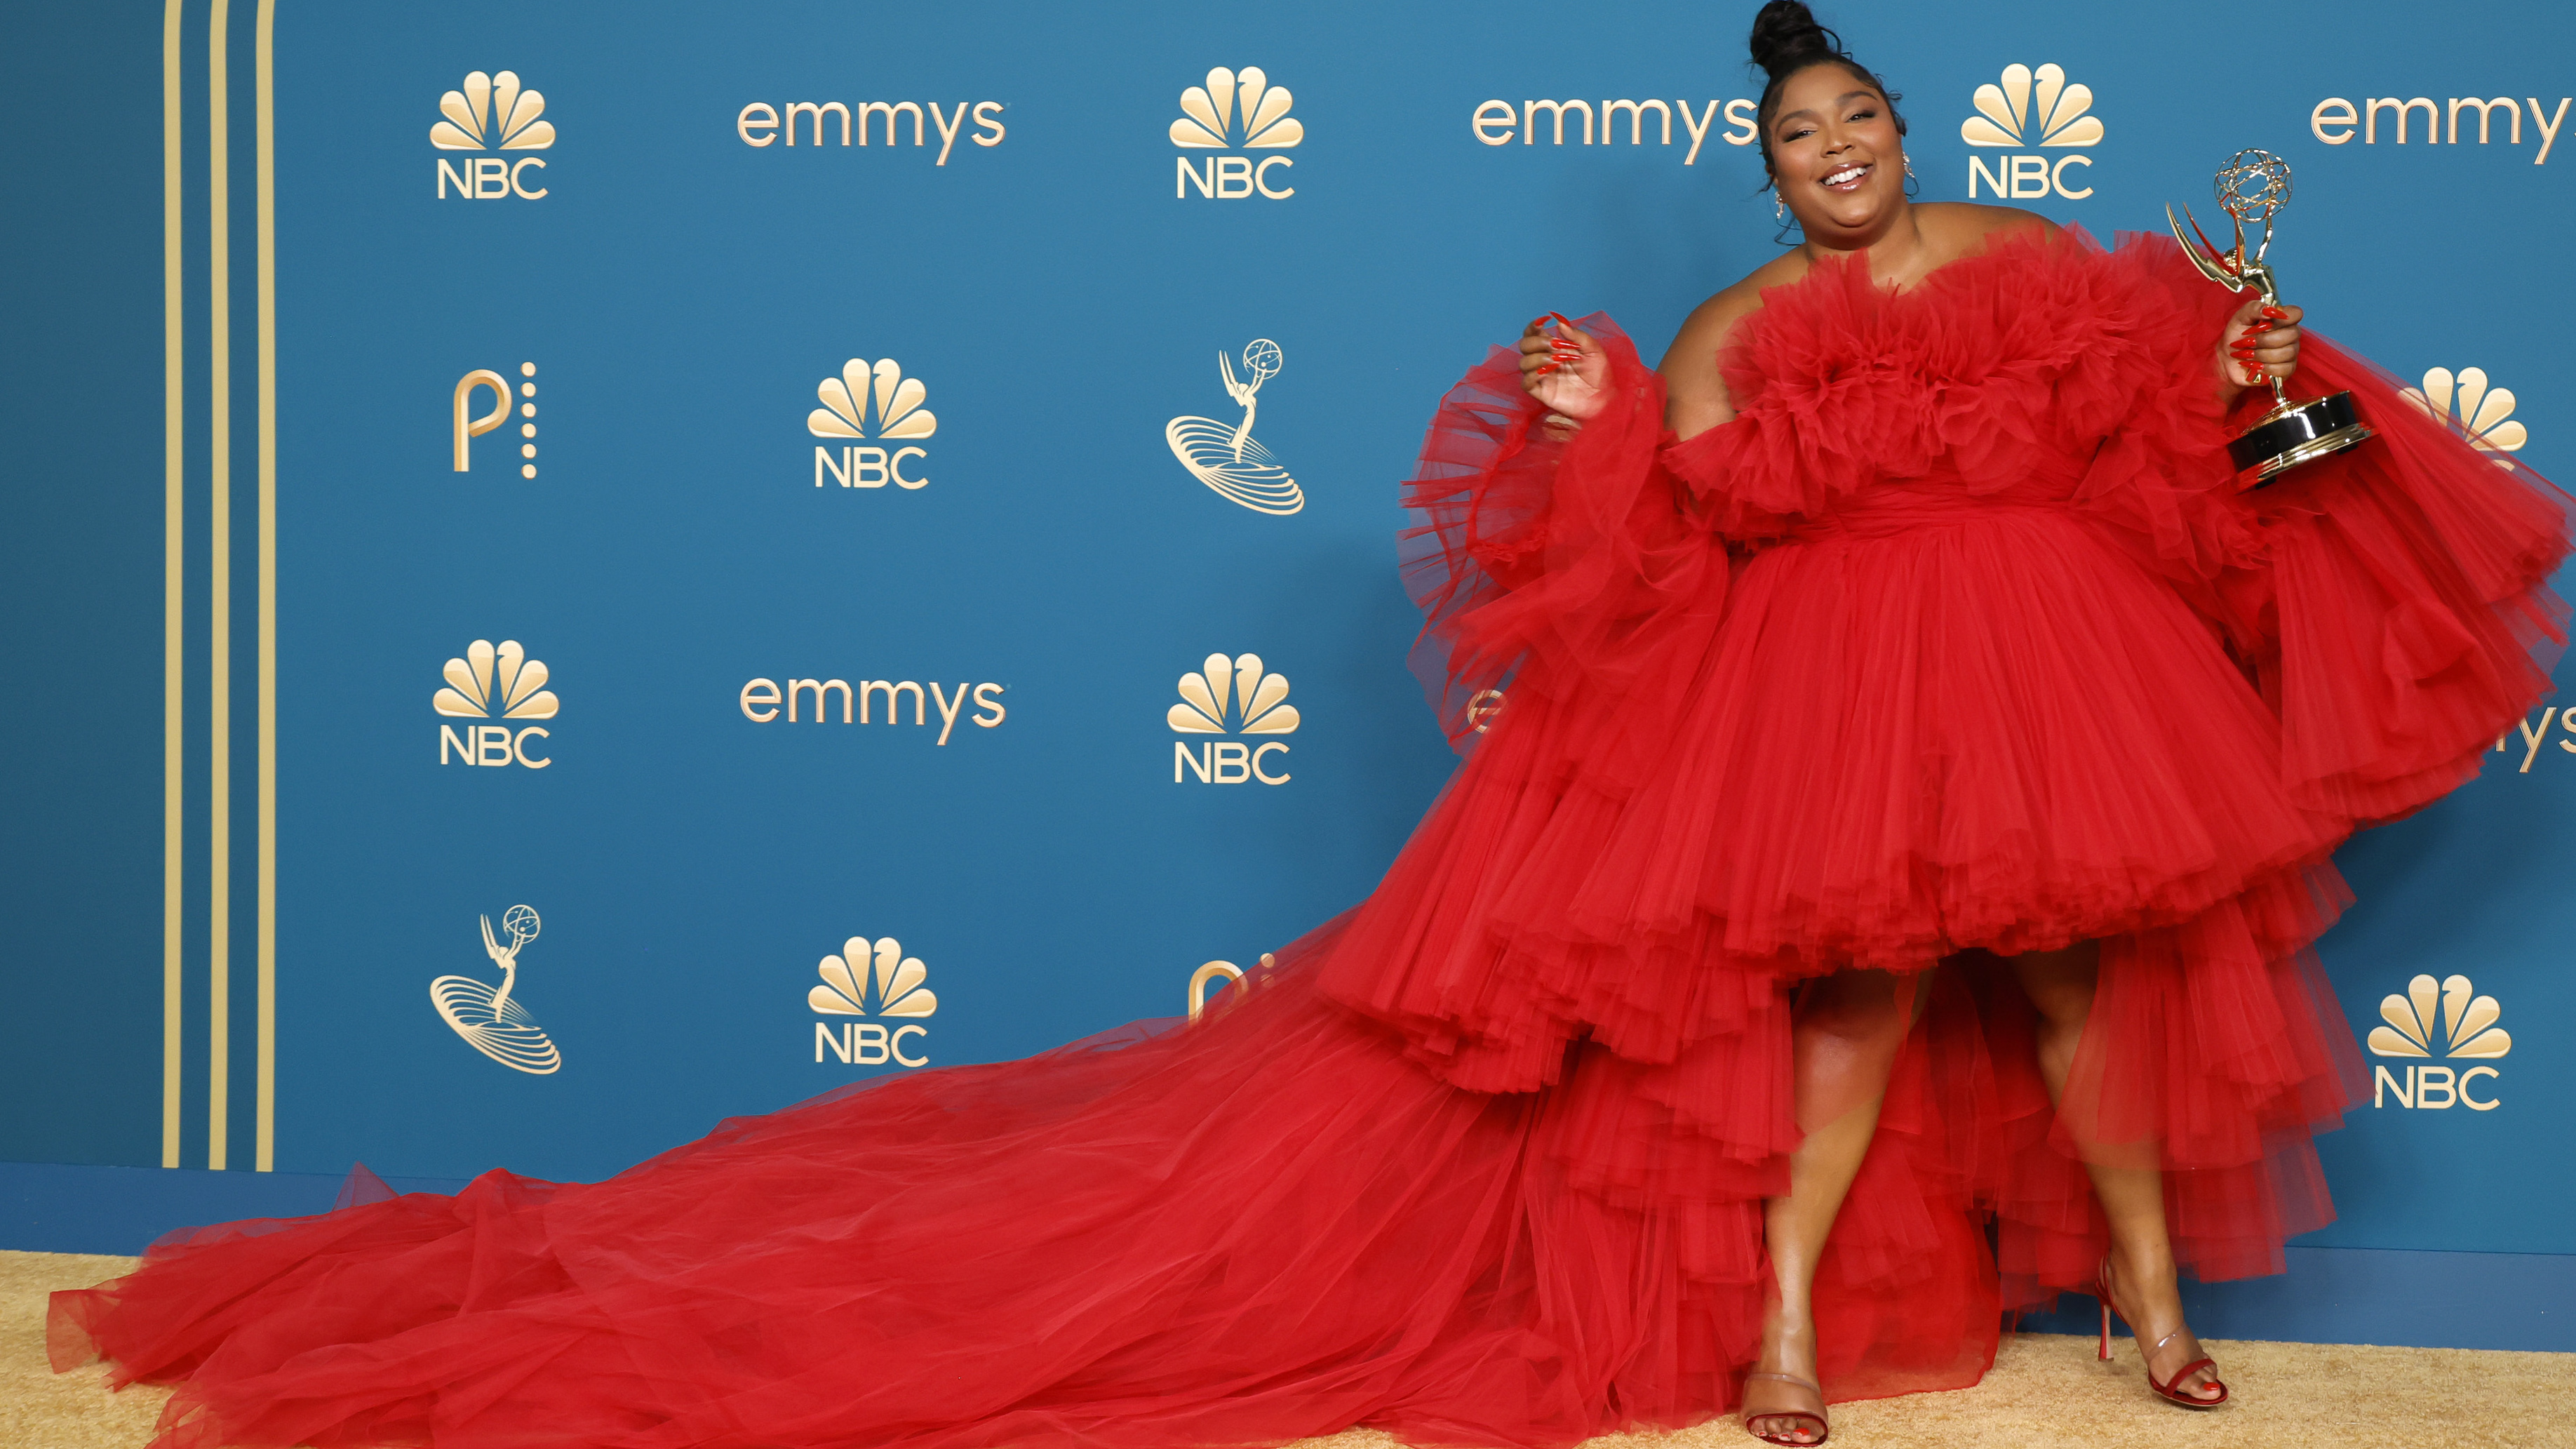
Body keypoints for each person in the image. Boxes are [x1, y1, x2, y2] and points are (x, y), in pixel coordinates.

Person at [51, 6, 2565, 1449]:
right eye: (1793, 138)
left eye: (1859, 123)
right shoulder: (1730, 330)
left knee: (2097, 987)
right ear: (1763, 170)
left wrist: (2261, 364)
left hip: (2049, 694)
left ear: (1910, 130)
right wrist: (1592, 421)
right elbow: (1648, 549)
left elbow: (2179, 407)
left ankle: (2145, 1302)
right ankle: (1786, 1326)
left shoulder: (2035, 256)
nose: (1832, 158)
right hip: (1851, 726)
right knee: (1862, 1009)